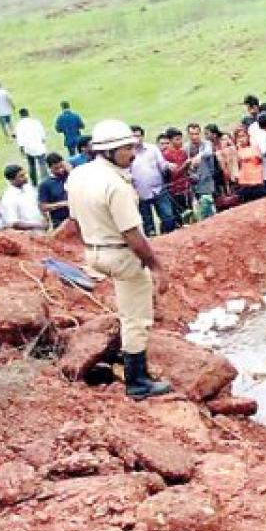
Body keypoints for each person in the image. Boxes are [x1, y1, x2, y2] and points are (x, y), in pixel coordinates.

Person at [66, 119, 172, 399]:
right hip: (120, 255)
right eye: (127, 149)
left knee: (127, 309)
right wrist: (157, 268)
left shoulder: (79, 175)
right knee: (136, 318)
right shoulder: (116, 185)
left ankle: (130, 364)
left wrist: (91, 246)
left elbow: (74, 221)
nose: (133, 154)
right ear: (110, 151)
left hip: (94, 251)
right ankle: (138, 382)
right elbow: (133, 235)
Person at [129, 125, 179, 237]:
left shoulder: (152, 149)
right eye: (134, 136)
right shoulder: (128, 154)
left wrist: (169, 166)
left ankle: (170, 239)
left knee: (168, 218)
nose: (137, 138)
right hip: (141, 193)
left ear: (143, 136)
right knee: (148, 224)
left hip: (159, 189)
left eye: (139, 135)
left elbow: (162, 164)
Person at [0, 164, 47, 231]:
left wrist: (45, 218)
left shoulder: (28, 187)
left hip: (42, 231)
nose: (25, 177)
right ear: (11, 180)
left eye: (25, 174)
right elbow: (14, 223)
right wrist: (38, 225)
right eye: (21, 176)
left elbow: (38, 204)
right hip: (28, 236)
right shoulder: (8, 198)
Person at [160, 128, 192, 217]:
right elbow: (173, 175)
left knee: (190, 212)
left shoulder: (183, 152)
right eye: (177, 139)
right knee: (181, 215)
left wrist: (189, 166)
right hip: (175, 190)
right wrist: (185, 165)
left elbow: (186, 171)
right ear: (170, 140)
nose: (180, 141)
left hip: (185, 187)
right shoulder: (166, 155)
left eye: (181, 139)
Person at [185, 123, 217, 211]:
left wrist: (199, 156)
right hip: (194, 183)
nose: (194, 136)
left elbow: (208, 152)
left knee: (210, 207)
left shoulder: (207, 143)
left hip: (207, 180)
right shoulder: (186, 147)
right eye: (192, 134)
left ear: (200, 133)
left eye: (196, 134)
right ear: (188, 135)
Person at [14, 108, 48, 186]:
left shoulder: (19, 125)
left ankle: (34, 183)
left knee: (32, 166)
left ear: (20, 115)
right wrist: (42, 142)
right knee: (42, 165)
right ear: (28, 113)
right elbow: (43, 135)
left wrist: (21, 150)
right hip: (39, 146)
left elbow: (20, 139)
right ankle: (45, 181)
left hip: (28, 148)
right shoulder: (35, 122)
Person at [37, 153, 71, 230]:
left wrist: (70, 170)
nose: (60, 170)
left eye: (62, 166)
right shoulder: (45, 184)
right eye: (56, 168)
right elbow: (43, 207)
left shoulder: (70, 175)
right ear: (50, 168)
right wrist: (63, 204)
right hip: (60, 222)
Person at [234, 125, 265, 203]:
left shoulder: (255, 147)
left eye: (243, 136)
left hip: (257, 181)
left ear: (248, 136)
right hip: (244, 182)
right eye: (239, 137)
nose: (241, 139)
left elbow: (258, 158)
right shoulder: (236, 150)